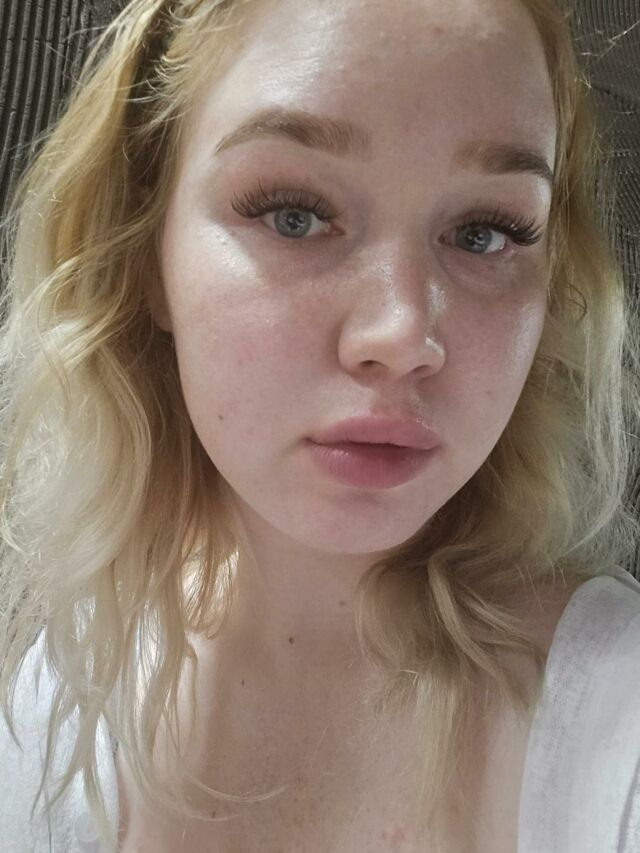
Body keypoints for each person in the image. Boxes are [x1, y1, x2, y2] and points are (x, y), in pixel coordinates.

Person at [1, 0, 640, 851]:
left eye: (485, 232)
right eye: (293, 213)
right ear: (148, 250)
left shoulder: (616, 730)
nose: (403, 334)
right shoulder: (65, 686)